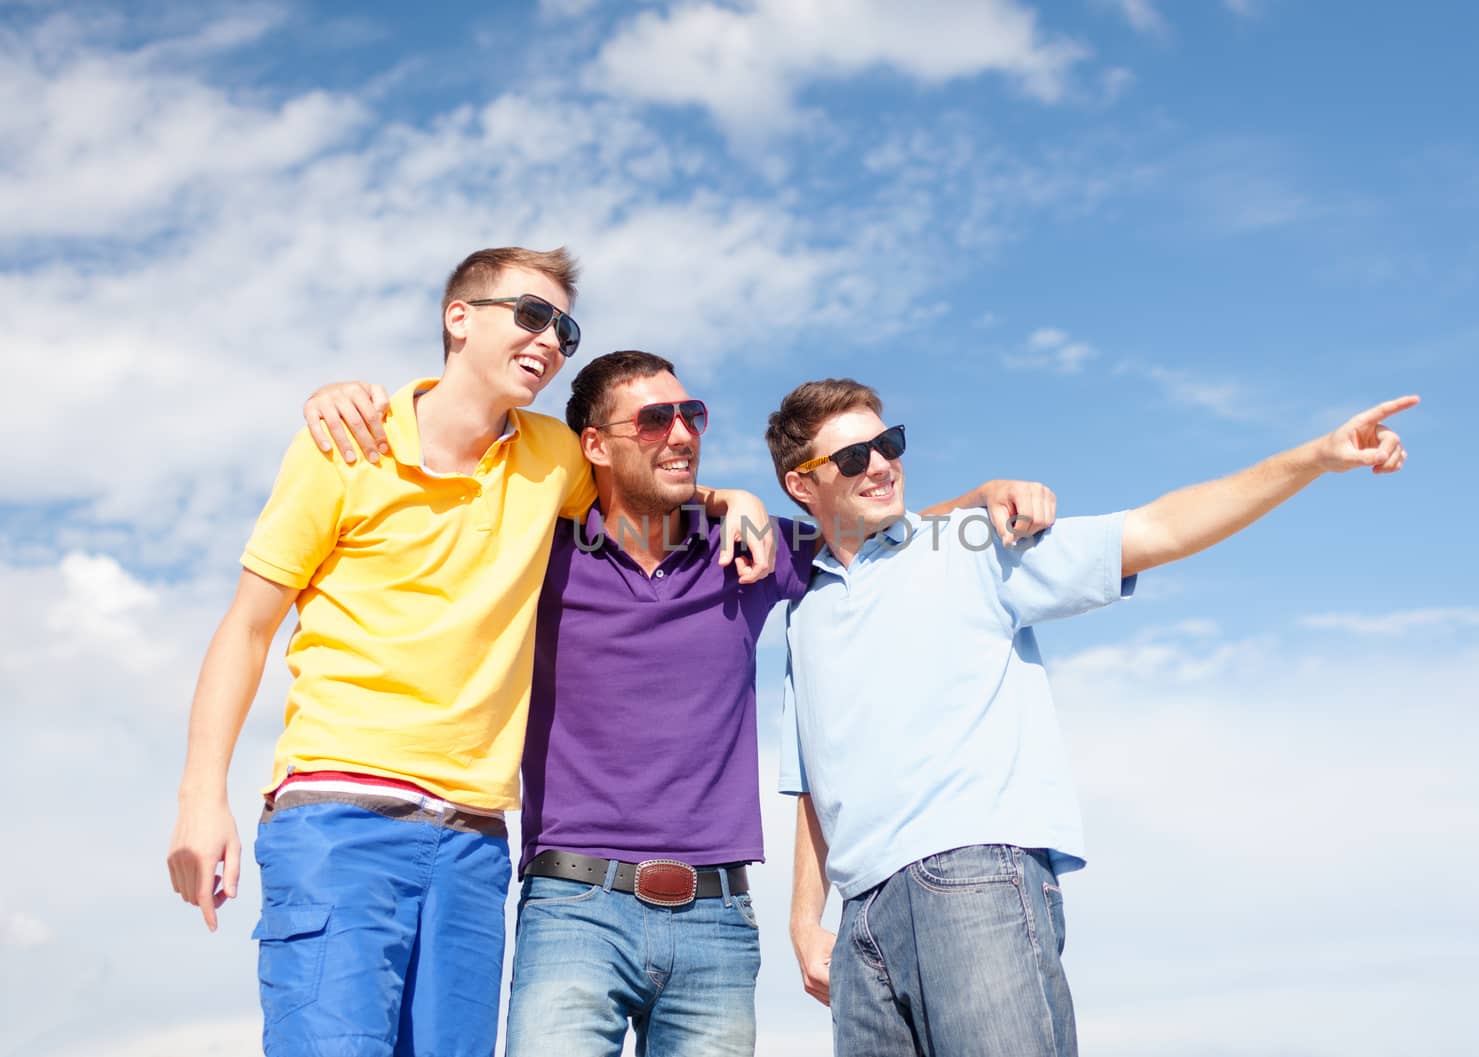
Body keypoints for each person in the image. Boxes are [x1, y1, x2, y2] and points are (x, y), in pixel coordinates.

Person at [301, 352, 1053, 1057]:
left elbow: (868, 527)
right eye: (655, 420)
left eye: (690, 413)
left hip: (718, 922)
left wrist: (978, 503)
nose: (683, 433)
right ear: (593, 445)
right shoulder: (540, 550)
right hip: (570, 909)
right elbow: (454, 472)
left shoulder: (747, 551)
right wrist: (349, 400)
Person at [165, 248, 768, 1057]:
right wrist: (202, 799)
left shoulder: (553, 457)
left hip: (475, 847)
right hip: (340, 822)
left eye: (565, 328)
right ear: (459, 317)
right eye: (531, 315)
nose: (550, 340)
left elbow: (647, 476)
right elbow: (245, 628)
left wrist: (735, 495)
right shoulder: (344, 444)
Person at [765, 378, 1416, 1057]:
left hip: (972, 882)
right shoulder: (803, 614)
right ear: (800, 485)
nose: (879, 464)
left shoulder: (967, 545)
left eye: (887, 443)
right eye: (851, 458)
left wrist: (1314, 456)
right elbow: (814, 773)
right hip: (861, 920)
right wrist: (803, 919)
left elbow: (1158, 529)